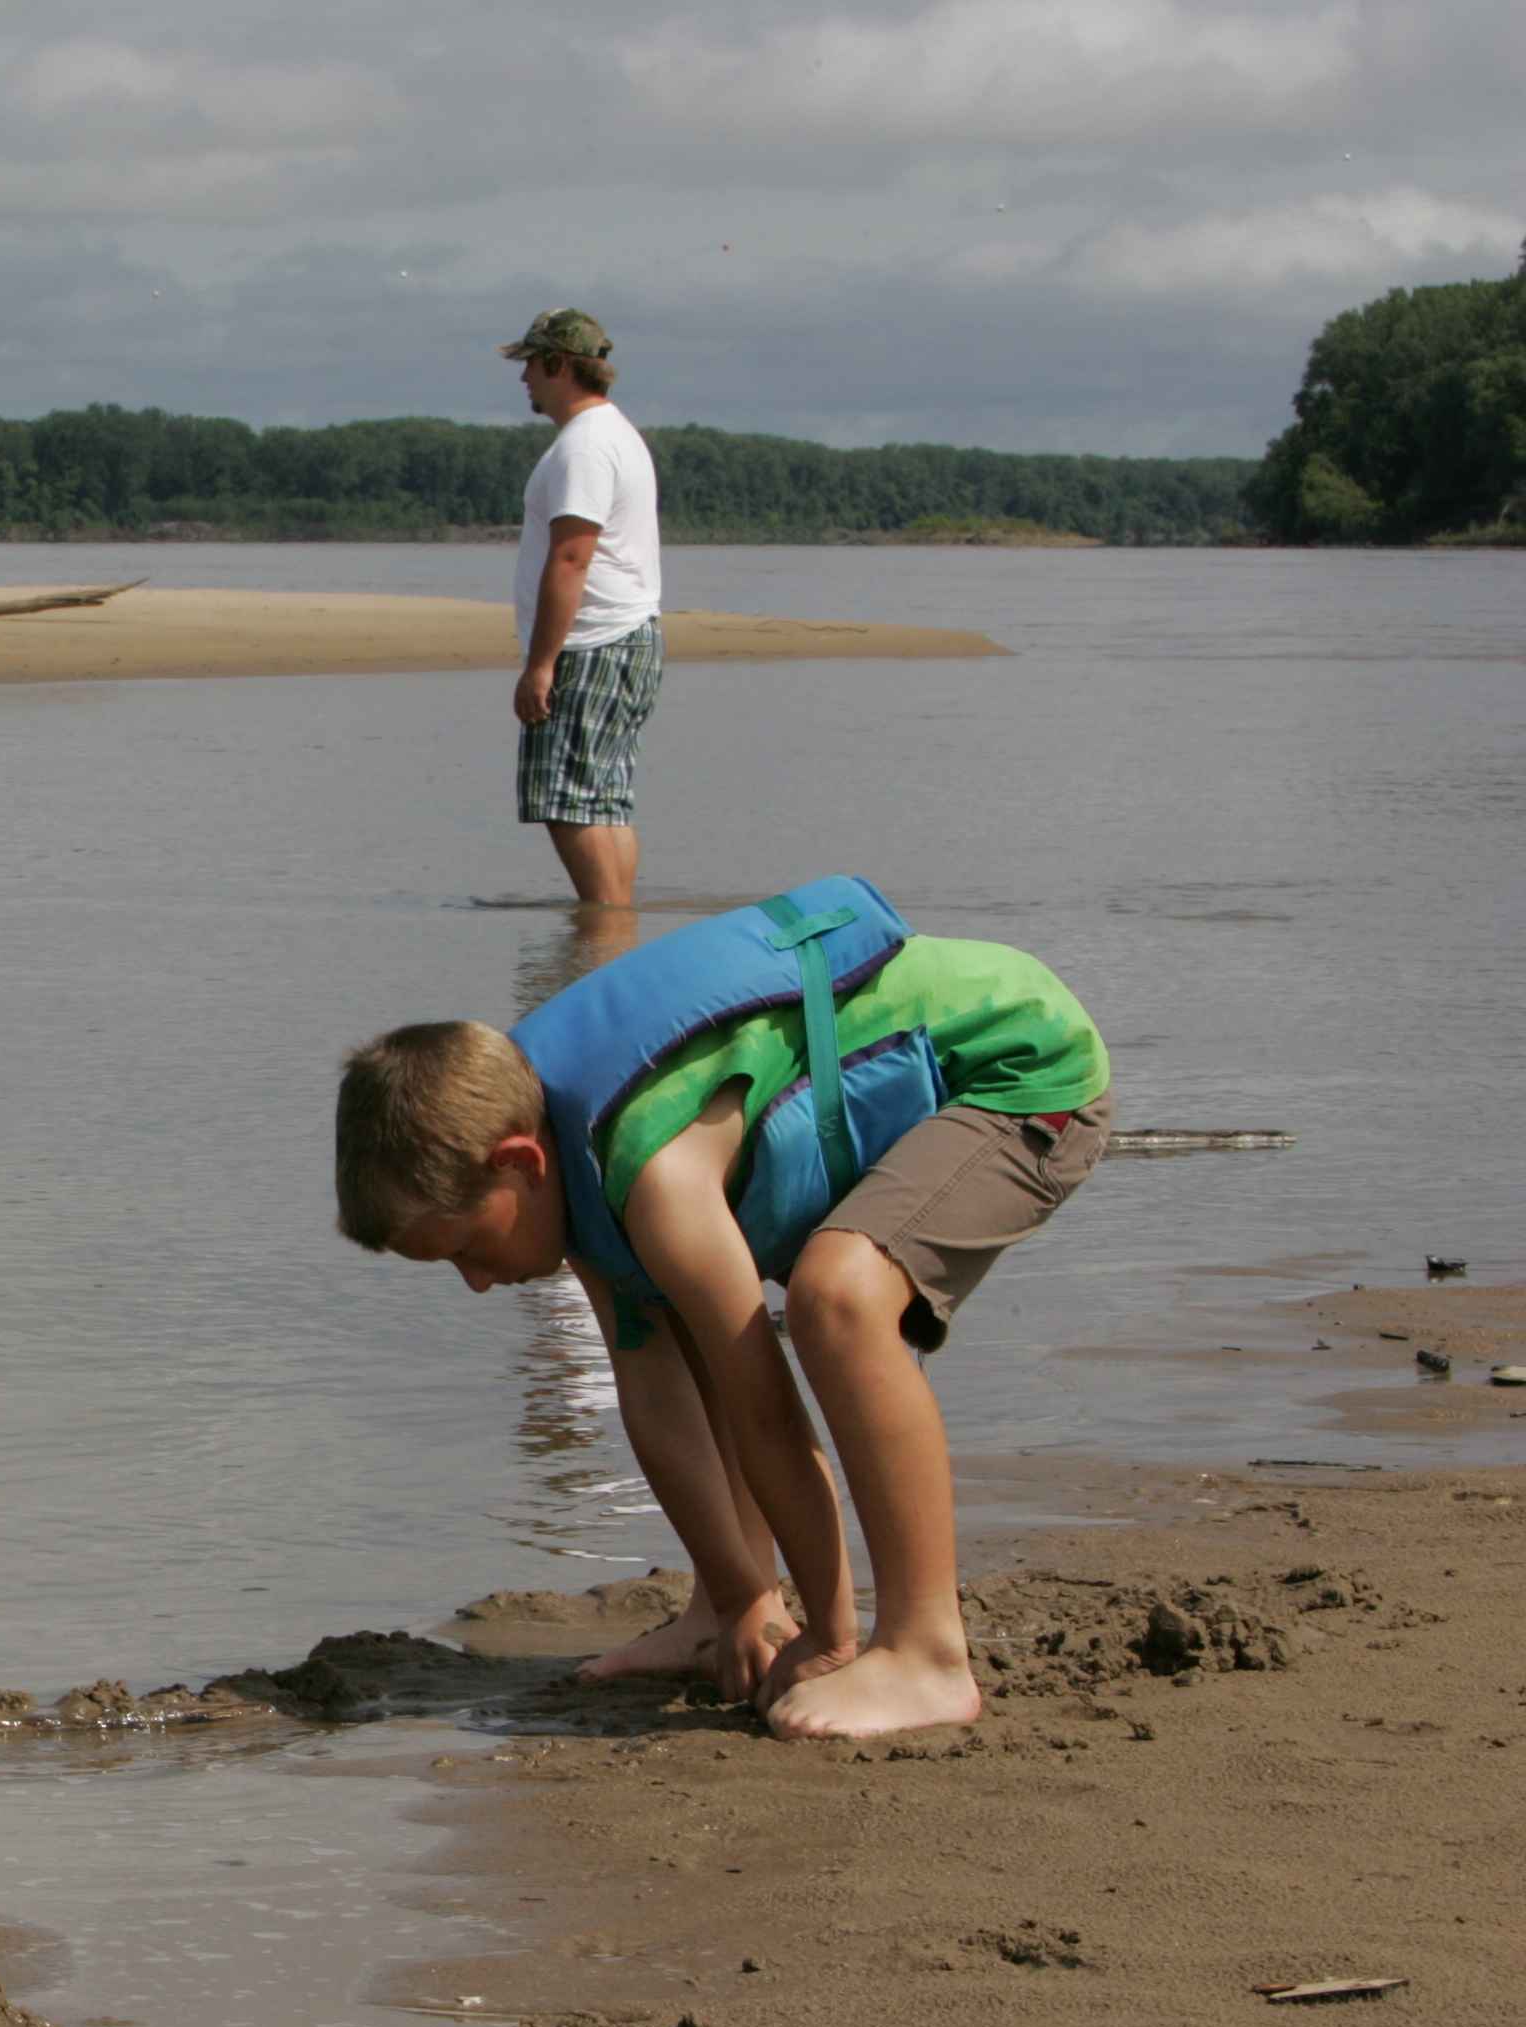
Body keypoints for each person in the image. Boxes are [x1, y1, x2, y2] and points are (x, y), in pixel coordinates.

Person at [332, 878, 1111, 1740]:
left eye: (466, 1250)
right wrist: (742, 1599)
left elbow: (765, 1412)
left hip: (1019, 1072)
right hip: (970, 1069)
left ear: (519, 1161)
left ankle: (925, 1654)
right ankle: (722, 1602)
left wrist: (824, 1635)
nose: (476, 1282)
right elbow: (658, 1391)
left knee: (838, 1299)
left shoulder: (657, 1177)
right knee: (675, 1315)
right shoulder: (553, 1147)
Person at [499, 307, 663, 908]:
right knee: (602, 802)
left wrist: (541, 664)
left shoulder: (585, 448)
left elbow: (571, 557)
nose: (524, 382)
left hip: (592, 645)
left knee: (569, 806)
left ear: (559, 365)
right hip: (625, 639)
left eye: (531, 367)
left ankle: (603, 939)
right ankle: (612, 934)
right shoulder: (614, 434)